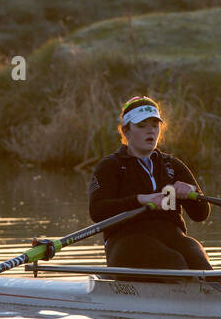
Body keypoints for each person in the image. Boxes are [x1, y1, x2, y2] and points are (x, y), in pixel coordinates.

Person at [87, 95, 212, 269]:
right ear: (126, 131)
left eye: (154, 125)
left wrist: (192, 194)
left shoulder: (173, 165)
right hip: (126, 241)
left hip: (172, 237)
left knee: (199, 263)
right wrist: (141, 200)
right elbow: (97, 211)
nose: (150, 131)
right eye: (142, 126)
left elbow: (201, 215)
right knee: (175, 263)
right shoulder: (110, 166)